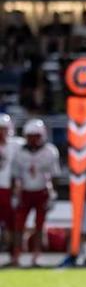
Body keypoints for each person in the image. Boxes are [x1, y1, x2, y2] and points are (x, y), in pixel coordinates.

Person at [11, 119, 59, 267]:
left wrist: (53, 193)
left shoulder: (49, 151)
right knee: (18, 225)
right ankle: (17, 254)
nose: (33, 139)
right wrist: (14, 194)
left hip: (42, 192)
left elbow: (54, 175)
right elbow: (15, 175)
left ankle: (37, 254)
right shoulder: (19, 151)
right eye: (30, 135)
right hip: (25, 192)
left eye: (36, 135)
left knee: (39, 225)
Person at [0, 114, 25, 265]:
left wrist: (18, 187)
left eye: (3, 129)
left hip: (9, 190)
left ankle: (14, 255)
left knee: (13, 226)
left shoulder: (17, 145)